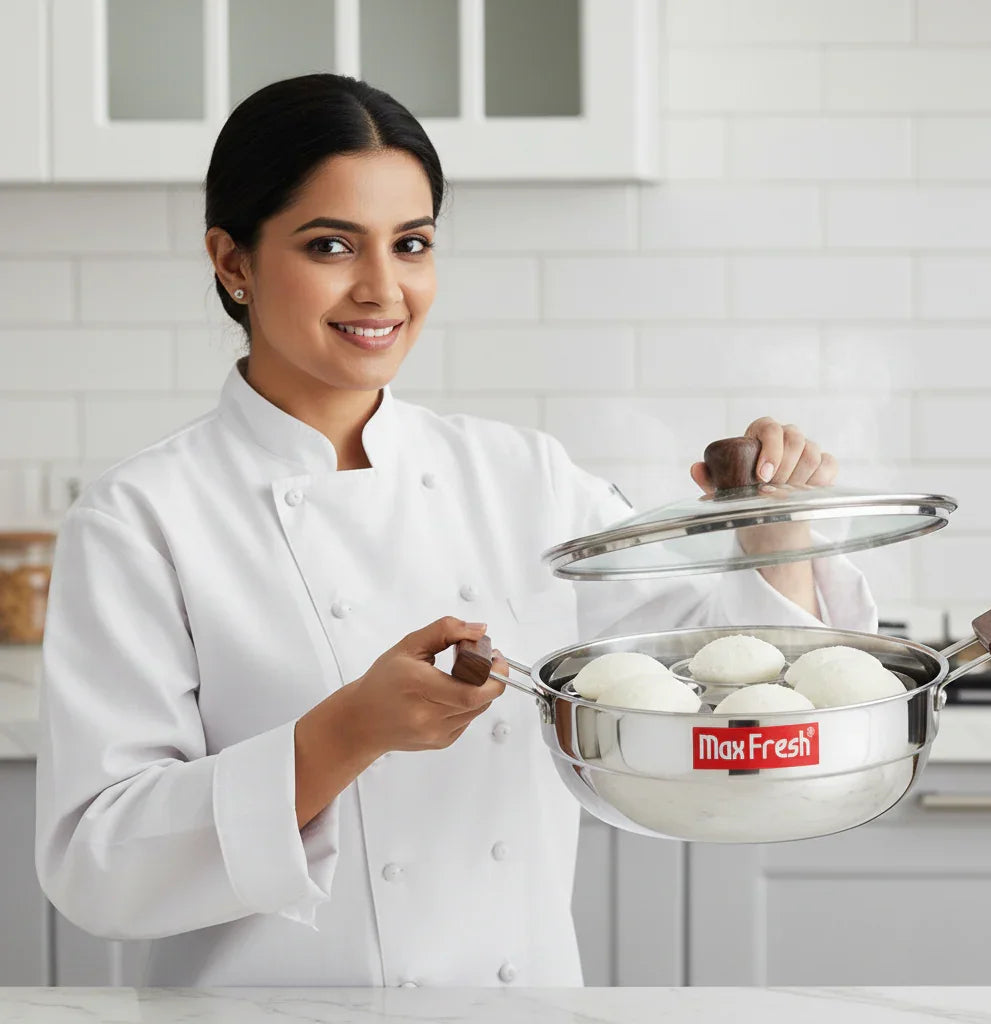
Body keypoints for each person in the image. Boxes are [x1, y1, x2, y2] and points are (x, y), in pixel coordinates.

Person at [35, 74, 876, 988]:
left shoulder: (525, 478)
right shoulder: (143, 517)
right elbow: (99, 866)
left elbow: (730, 692)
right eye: (330, 246)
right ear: (233, 262)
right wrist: (342, 734)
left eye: (413, 244)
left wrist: (771, 537)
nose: (382, 289)